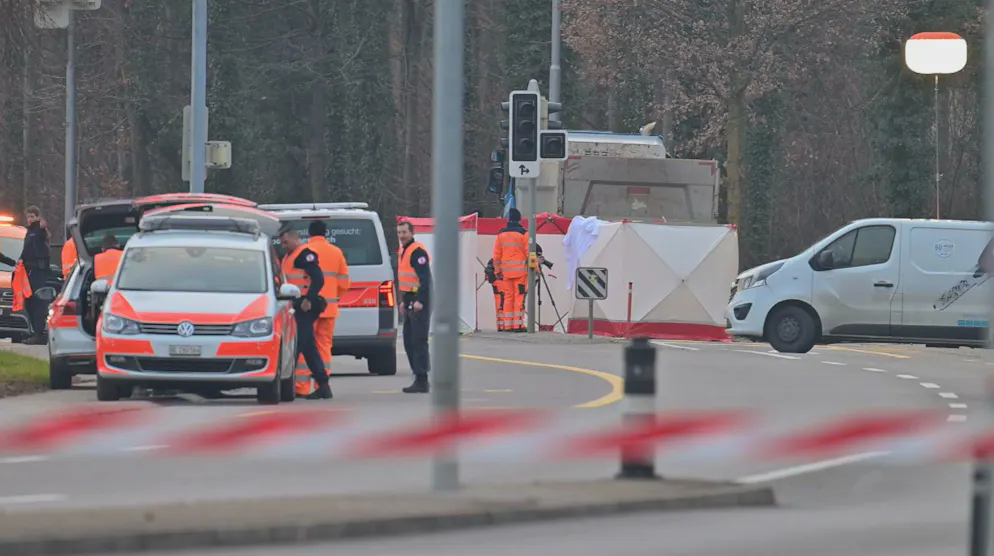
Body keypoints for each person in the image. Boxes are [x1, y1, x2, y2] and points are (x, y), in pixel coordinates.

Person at [278, 227, 332, 400]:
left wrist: (309, 299)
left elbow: (318, 278)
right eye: (281, 242)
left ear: (295, 239)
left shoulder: (304, 254)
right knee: (307, 347)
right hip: (294, 307)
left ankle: (282, 384)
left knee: (297, 345)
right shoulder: (288, 257)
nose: (283, 245)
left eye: (285, 241)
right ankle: (323, 385)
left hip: (304, 307)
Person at [301, 220, 350, 394]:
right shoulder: (336, 252)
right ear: (325, 233)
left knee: (304, 346)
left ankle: (301, 385)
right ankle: (322, 384)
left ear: (309, 233)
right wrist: (334, 295)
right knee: (324, 346)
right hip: (328, 307)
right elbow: (345, 282)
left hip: (308, 308)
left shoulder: (304, 251)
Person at [396, 220, 432, 394]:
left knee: (418, 341)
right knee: (409, 341)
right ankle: (417, 376)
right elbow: (406, 280)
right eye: (399, 233)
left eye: (404, 232)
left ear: (411, 232)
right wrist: (403, 300)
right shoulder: (403, 250)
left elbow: (425, 280)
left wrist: (421, 301)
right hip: (409, 298)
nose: (401, 236)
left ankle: (422, 379)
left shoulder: (417, 252)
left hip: (419, 300)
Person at [492, 208, 529, 332]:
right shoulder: (523, 233)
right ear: (519, 219)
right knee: (519, 297)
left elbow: (496, 256)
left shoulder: (500, 234)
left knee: (507, 297)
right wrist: (536, 268)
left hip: (505, 272)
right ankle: (517, 325)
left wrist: (497, 271)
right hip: (520, 272)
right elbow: (529, 253)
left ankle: (507, 325)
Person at [19, 206, 52, 344]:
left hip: (37, 272)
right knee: (29, 303)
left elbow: (40, 238)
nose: (30, 219)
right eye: (28, 216)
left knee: (37, 303)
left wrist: (41, 226)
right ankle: (34, 332)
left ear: (38, 217)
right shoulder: (30, 232)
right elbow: (26, 251)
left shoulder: (38, 231)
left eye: (32, 216)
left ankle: (39, 333)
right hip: (29, 272)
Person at [484, 258, 504, 331]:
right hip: (501, 285)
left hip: (497, 285)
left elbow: (488, 272)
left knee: (499, 306)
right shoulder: (502, 259)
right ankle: (503, 326)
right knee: (502, 305)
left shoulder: (493, 260)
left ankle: (500, 326)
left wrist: (493, 280)